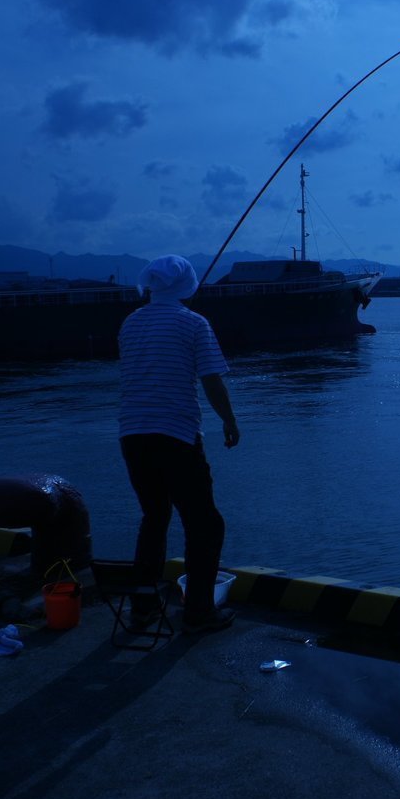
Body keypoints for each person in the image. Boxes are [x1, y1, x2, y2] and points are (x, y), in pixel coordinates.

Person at [118, 254, 239, 634]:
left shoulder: (130, 323)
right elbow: (211, 380)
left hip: (132, 434)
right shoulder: (194, 324)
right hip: (176, 435)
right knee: (204, 524)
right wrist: (230, 420)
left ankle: (142, 607)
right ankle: (199, 610)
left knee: (155, 517)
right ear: (186, 284)